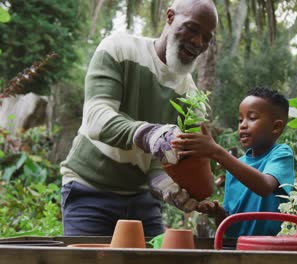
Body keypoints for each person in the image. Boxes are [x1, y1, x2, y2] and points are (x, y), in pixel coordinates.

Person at [60, 0, 218, 237]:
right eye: (193, 29)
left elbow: (157, 165)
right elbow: (97, 117)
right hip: (89, 189)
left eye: (207, 37)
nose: (198, 42)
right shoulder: (120, 49)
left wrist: (169, 189)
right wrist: (150, 135)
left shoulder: (192, 99)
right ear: (170, 17)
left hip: (141, 200)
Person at [172, 87, 295, 237]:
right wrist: (217, 212)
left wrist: (216, 152)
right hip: (237, 251)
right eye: (240, 119)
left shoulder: (281, 154)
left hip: (271, 250)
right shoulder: (234, 168)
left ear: (276, 127)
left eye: (252, 118)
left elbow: (265, 186)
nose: (243, 125)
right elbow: (228, 224)